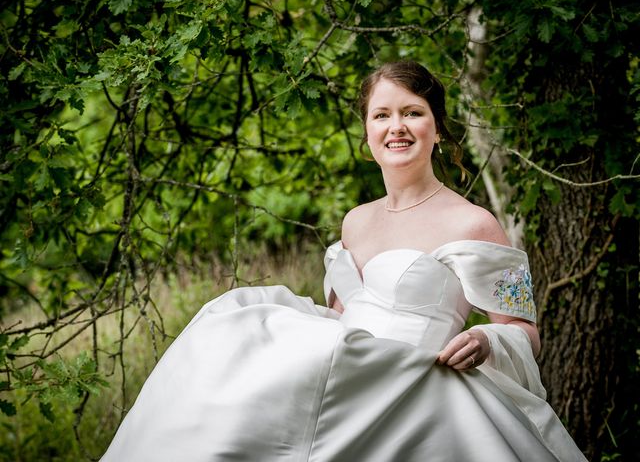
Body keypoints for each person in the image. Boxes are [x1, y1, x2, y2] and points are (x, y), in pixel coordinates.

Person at [102, 61, 587, 461]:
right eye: (382, 115)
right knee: (234, 324)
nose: (396, 127)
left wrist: (484, 337)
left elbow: (524, 330)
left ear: (436, 128)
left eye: (412, 112)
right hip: (344, 389)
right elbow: (341, 320)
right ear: (367, 131)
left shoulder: (475, 223)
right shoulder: (356, 221)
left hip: (410, 390)